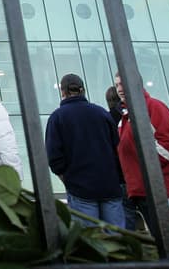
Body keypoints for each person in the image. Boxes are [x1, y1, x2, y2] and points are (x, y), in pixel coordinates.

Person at [44, 73, 126, 228]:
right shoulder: (102, 113)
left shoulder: (57, 118)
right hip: (110, 186)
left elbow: (54, 158)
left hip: (80, 189)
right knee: (118, 240)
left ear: (62, 92)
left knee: (90, 242)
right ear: (83, 90)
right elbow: (117, 148)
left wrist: (67, 179)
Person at [114, 73, 169, 242]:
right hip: (141, 189)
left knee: (168, 242)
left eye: (123, 84)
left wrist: (147, 167)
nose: (120, 89)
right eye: (117, 86)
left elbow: (167, 142)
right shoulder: (126, 116)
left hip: (159, 188)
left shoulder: (153, 107)